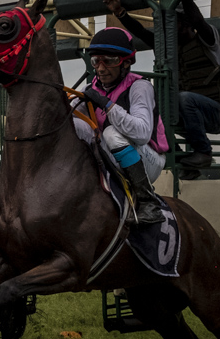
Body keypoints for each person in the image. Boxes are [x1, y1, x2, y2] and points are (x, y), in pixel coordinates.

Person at [102, 0, 220, 170]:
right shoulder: (168, 47)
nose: (168, 29)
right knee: (155, 105)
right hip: (187, 113)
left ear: (186, 22)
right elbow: (141, 32)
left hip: (216, 113)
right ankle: (174, 153)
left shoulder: (208, 40)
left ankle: (203, 152)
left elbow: (198, 20)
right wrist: (120, 13)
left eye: (174, 23)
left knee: (184, 98)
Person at [71, 27, 169, 226]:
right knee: (72, 124)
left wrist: (106, 105)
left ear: (126, 62)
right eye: (96, 61)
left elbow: (141, 133)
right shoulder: (90, 88)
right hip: (112, 157)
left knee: (111, 132)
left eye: (109, 61)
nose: (101, 68)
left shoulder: (140, 87)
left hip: (149, 160)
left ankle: (148, 200)